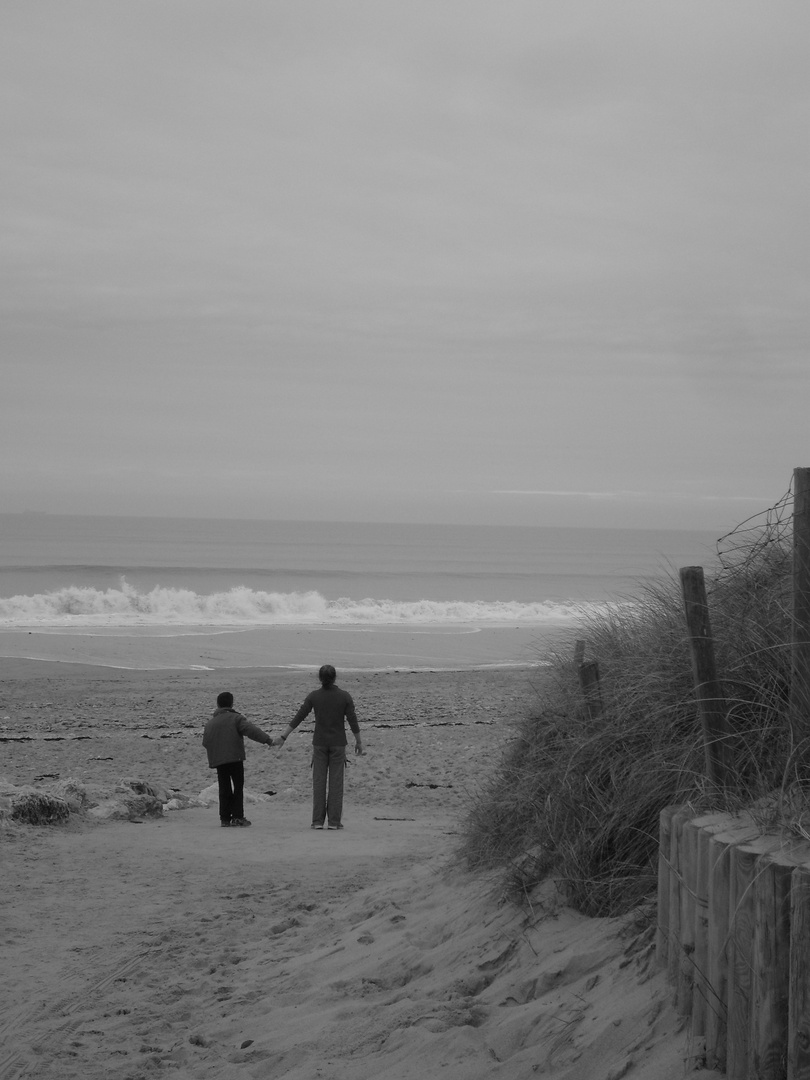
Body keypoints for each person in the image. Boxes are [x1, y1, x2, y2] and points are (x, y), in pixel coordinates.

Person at [277, 664, 364, 830]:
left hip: (320, 743)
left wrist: (284, 736)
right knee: (336, 783)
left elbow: (299, 716)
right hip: (338, 743)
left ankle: (317, 821)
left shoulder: (314, 696)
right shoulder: (344, 696)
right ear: (335, 678)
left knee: (319, 782)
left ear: (320, 678)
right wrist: (359, 741)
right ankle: (333, 822)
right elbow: (352, 720)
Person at [202, 691, 275, 827]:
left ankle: (224, 819)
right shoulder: (236, 718)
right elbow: (251, 731)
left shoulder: (210, 723)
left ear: (218, 704)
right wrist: (267, 740)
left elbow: (206, 742)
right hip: (235, 758)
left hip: (219, 760)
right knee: (238, 787)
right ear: (231, 703)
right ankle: (237, 817)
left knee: (224, 788)